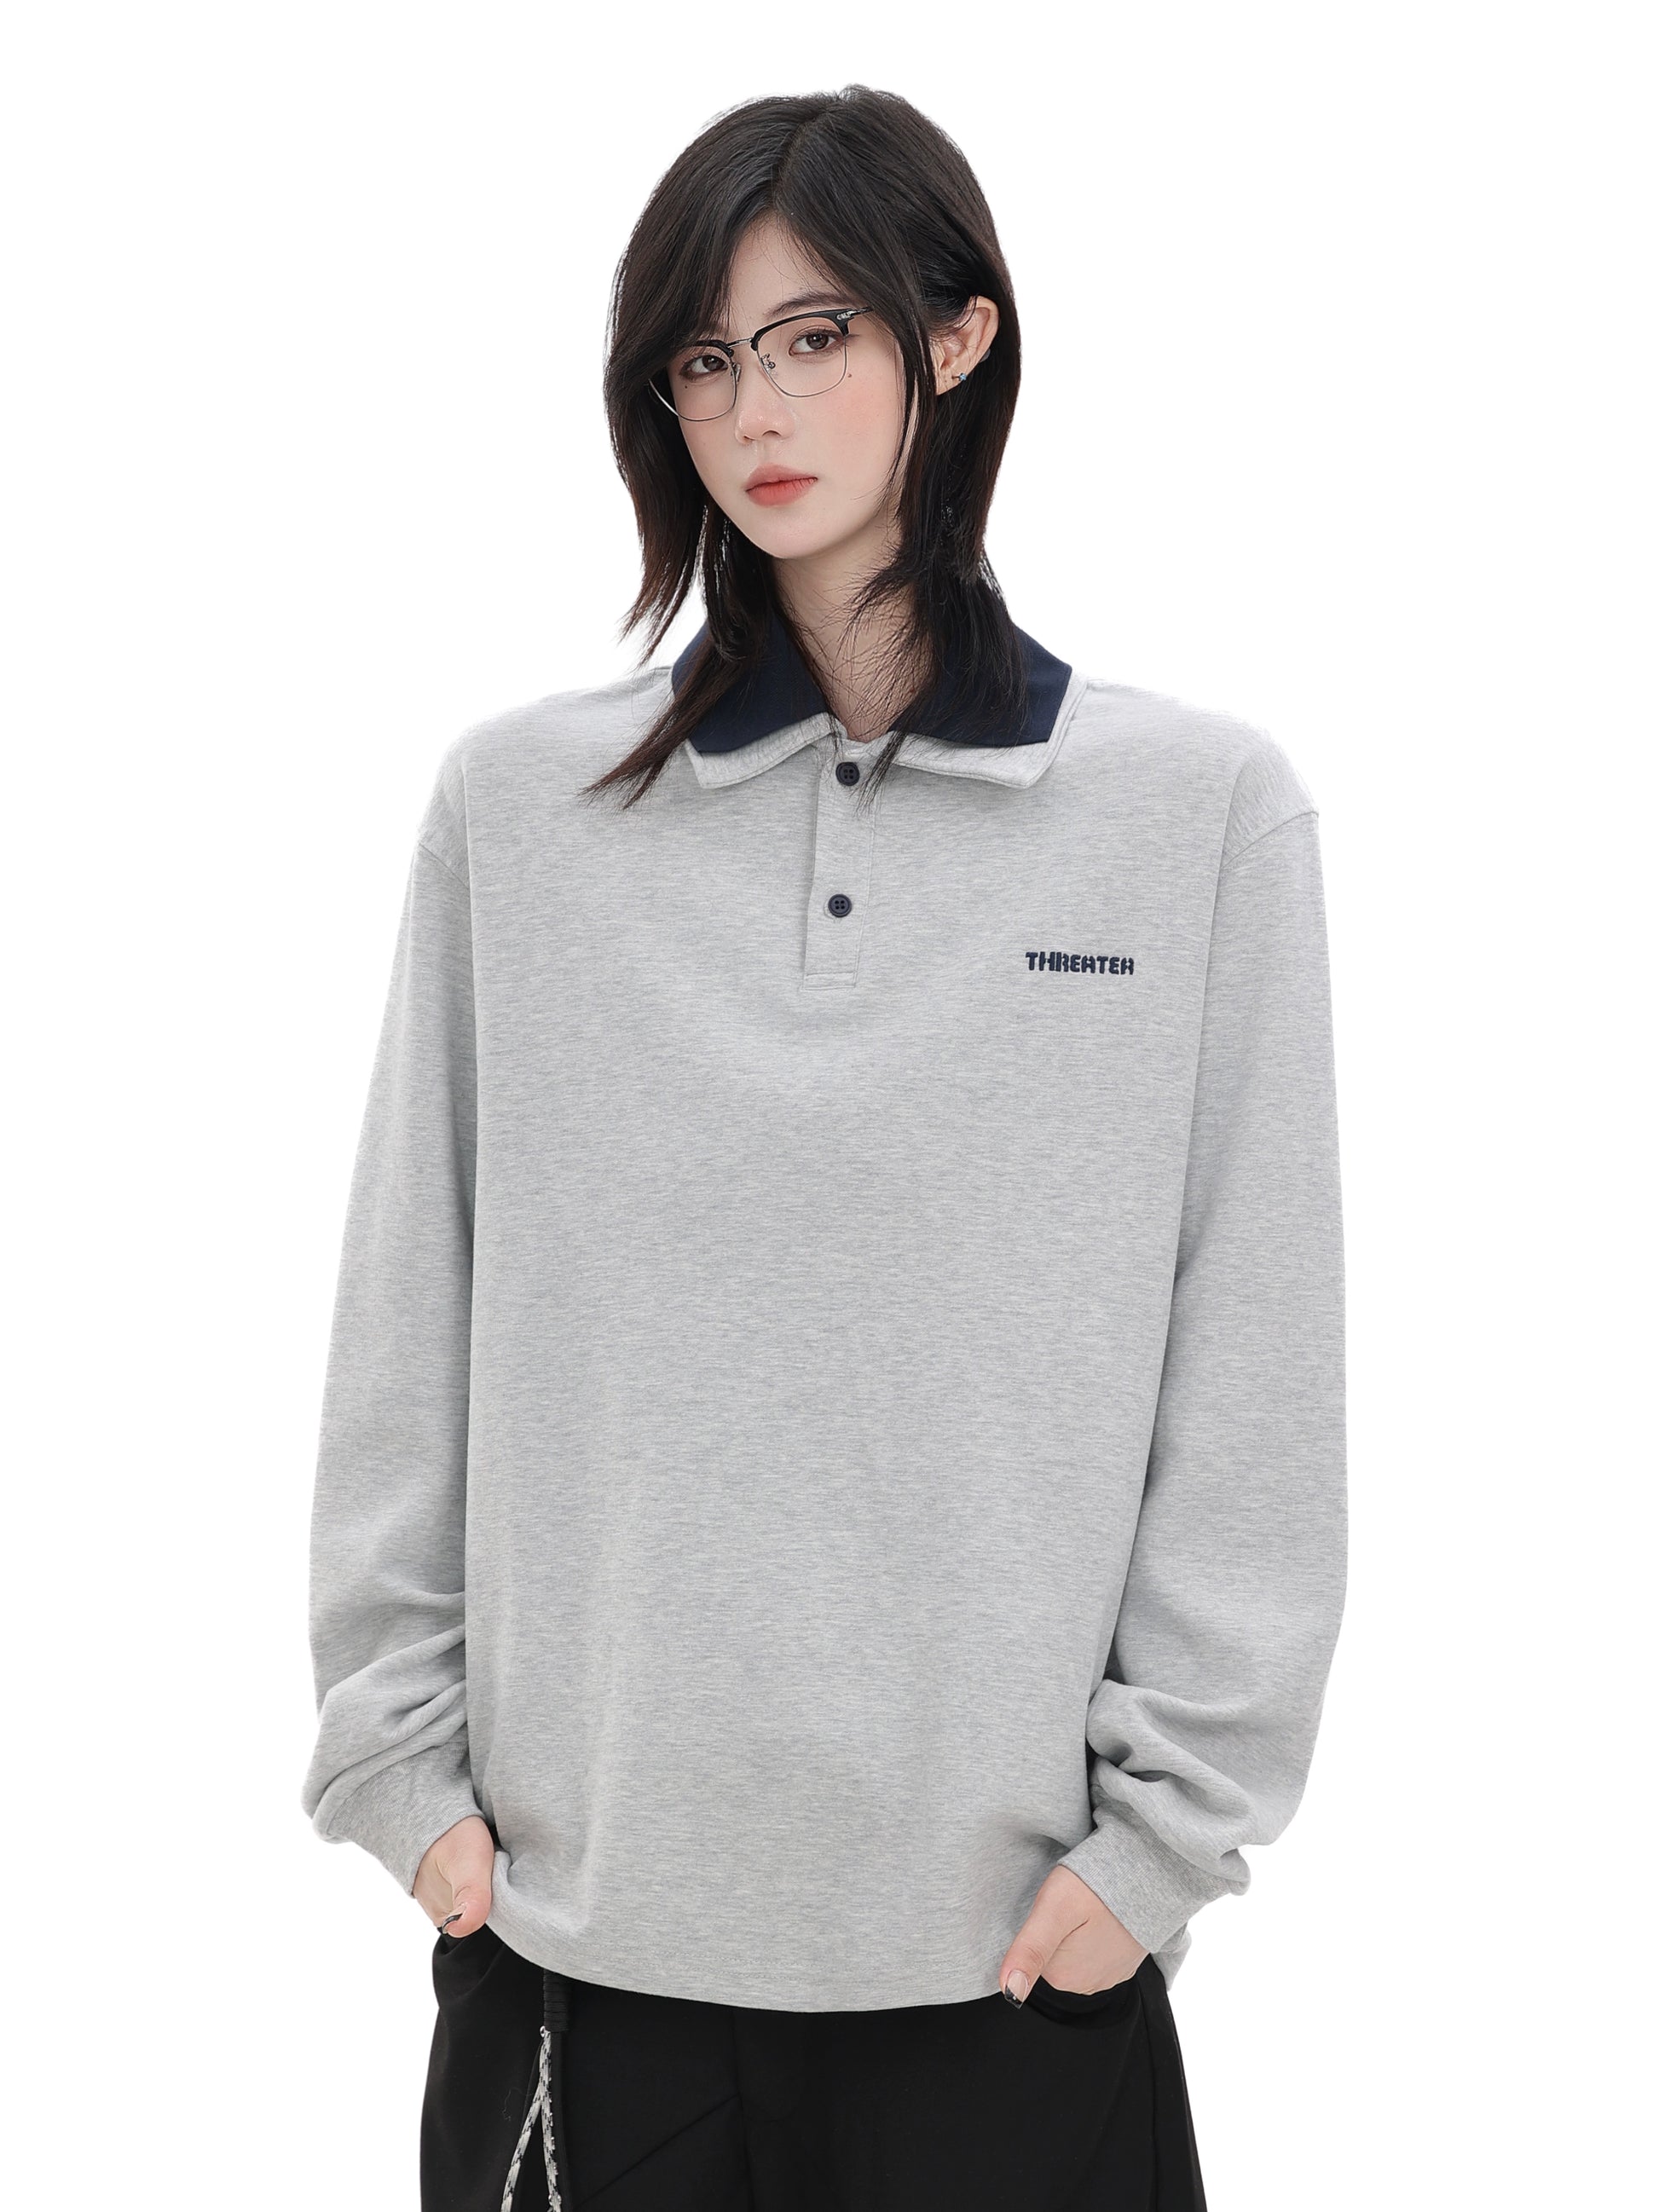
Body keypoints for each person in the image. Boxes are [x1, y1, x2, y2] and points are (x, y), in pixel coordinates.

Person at [300, 84, 1346, 2212]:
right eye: (704, 358)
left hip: (1014, 1972)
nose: (753, 409)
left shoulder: (1195, 816)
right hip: (580, 1956)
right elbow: (414, 1312)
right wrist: (403, 1776)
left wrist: (1161, 1845)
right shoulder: (521, 813)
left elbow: (1254, 1369)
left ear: (954, 339)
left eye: (812, 337)